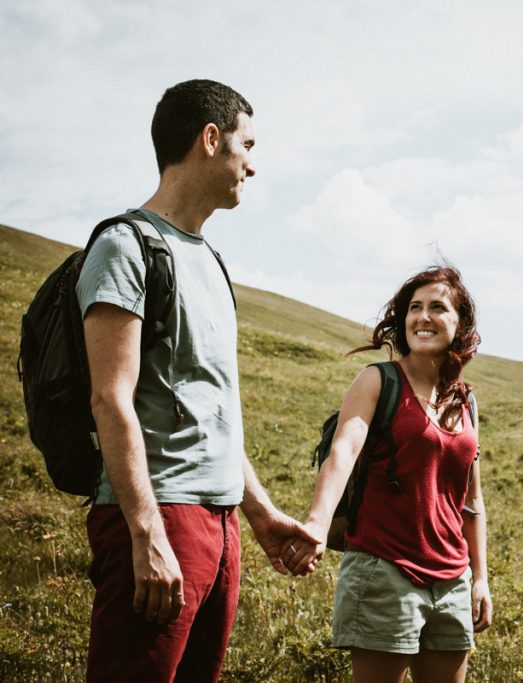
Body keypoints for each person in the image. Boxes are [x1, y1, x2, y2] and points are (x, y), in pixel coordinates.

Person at [77, 79, 319, 682]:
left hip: (222, 522)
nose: (252, 166)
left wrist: (258, 514)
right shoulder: (125, 246)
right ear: (211, 139)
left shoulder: (210, 260)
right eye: (247, 145)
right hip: (162, 514)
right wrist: (147, 533)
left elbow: (212, 410)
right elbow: (110, 398)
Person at [287, 266, 493, 683]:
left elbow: (471, 502)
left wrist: (480, 579)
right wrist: (317, 524)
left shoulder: (465, 401)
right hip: (384, 571)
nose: (423, 317)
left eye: (438, 307)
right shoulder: (378, 381)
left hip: (453, 580)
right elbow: (343, 452)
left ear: (460, 324)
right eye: (415, 307)